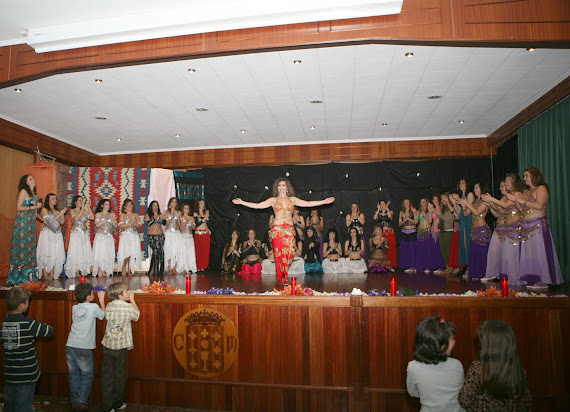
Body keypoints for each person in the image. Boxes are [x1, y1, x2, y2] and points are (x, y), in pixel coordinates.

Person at [232, 178, 334, 285]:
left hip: (289, 230)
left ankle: (283, 275)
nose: (281, 187)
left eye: (283, 185)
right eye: (279, 185)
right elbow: (257, 206)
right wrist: (241, 202)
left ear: (287, 187)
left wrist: (324, 201)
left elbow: (307, 203)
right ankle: (283, 279)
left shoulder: (292, 199)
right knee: (279, 255)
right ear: (277, 187)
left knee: (290, 255)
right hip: (277, 229)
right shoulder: (273, 200)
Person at [507, 167, 563, 285]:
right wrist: (516, 200)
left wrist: (522, 200)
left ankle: (543, 281)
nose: (524, 178)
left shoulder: (541, 188)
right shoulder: (527, 192)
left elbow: (539, 205)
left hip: (537, 226)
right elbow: (521, 210)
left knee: (539, 254)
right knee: (529, 255)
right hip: (526, 227)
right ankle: (532, 280)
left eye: (526, 176)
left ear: (534, 176)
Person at [1, 287, 54, 412]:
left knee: (9, 404)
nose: (28, 304)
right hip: (27, 375)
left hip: (10, 374)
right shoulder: (28, 324)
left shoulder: (4, 324)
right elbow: (49, 331)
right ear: (21, 306)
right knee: (23, 405)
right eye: (27, 302)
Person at [459, 320, 531, 411]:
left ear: (489, 345)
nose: (479, 344)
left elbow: (465, 400)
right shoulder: (520, 372)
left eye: (481, 340)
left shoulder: (478, 368)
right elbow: (526, 405)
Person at [406, 316, 464, 412]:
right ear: (441, 346)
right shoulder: (456, 365)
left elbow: (413, 392)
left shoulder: (413, 367)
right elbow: (461, 392)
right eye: (452, 339)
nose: (454, 341)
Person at [100, 282, 140, 412]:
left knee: (107, 376)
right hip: (121, 346)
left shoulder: (110, 305)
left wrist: (101, 301)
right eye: (126, 292)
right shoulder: (127, 307)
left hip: (107, 345)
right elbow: (137, 316)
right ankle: (117, 403)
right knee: (119, 375)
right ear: (120, 296)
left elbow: (105, 314)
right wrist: (133, 300)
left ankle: (106, 406)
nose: (128, 293)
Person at [66, 283, 105, 412]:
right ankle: (82, 401)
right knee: (87, 375)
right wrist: (101, 299)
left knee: (74, 375)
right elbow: (102, 315)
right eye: (93, 293)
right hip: (84, 346)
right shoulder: (93, 307)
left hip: (71, 344)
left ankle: (74, 401)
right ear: (89, 296)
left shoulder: (74, 308)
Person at [482, 174, 524, 283]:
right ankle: (503, 277)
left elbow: (505, 206)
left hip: (515, 227)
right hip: (506, 228)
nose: (505, 184)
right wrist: (490, 202)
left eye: (507, 182)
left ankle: (515, 278)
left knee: (513, 255)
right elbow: (498, 209)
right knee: (505, 255)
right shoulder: (505, 197)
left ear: (514, 182)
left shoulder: (517, 194)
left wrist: (491, 199)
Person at [8, 175, 42, 286]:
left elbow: (35, 214)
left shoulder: (35, 195)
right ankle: (18, 278)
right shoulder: (23, 191)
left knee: (30, 249)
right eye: (30, 179)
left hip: (31, 226)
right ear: (25, 182)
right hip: (22, 224)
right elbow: (19, 207)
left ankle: (30, 278)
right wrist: (33, 207)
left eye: (33, 178)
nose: (33, 180)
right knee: (21, 249)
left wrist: (46, 220)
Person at [460, 183, 491, 279]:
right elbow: (466, 214)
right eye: (474, 188)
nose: (474, 189)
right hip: (474, 230)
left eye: (477, 187)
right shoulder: (475, 202)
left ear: (482, 189)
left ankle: (485, 274)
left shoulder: (485, 201)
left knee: (482, 252)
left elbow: (477, 212)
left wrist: (467, 204)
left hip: (482, 230)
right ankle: (476, 273)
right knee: (475, 253)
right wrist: (464, 206)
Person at [37, 193, 67, 279]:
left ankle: (52, 273)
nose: (55, 200)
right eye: (53, 198)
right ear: (48, 200)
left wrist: (61, 214)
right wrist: (60, 213)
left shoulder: (57, 211)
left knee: (55, 253)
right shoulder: (44, 209)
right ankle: (45, 274)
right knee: (46, 253)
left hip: (56, 234)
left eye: (55, 199)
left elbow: (62, 223)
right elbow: (49, 221)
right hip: (47, 234)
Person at [66, 196, 94, 278]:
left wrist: (88, 208)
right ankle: (75, 271)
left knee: (83, 252)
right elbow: (75, 219)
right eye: (79, 200)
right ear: (75, 202)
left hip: (84, 234)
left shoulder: (84, 211)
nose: (81, 202)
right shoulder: (72, 210)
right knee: (76, 252)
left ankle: (82, 270)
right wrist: (81, 210)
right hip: (76, 234)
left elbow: (92, 217)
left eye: (82, 200)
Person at [116, 199, 142, 277]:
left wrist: (135, 223)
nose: (129, 206)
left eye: (131, 205)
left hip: (134, 235)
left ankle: (130, 269)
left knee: (132, 253)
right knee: (127, 253)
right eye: (128, 205)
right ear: (125, 206)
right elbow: (121, 226)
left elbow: (139, 225)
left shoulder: (136, 215)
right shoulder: (123, 215)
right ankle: (124, 267)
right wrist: (131, 223)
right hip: (125, 236)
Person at [93, 199, 117, 277]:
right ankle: (100, 270)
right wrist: (105, 220)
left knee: (107, 254)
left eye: (109, 205)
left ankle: (104, 270)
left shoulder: (111, 214)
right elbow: (97, 225)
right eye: (106, 204)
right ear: (102, 205)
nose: (108, 206)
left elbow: (115, 226)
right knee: (101, 254)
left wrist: (113, 220)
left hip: (109, 237)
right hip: (101, 237)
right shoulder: (98, 214)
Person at [373, 200, 397, 267]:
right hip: (381, 233)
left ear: (386, 204)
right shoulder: (377, 212)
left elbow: (389, 217)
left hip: (389, 232)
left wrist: (387, 209)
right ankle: (383, 265)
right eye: (381, 204)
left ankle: (391, 265)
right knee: (382, 248)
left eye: (384, 204)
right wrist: (378, 210)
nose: (382, 205)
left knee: (391, 249)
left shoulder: (390, 211)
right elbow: (374, 218)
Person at [145, 200, 165, 277]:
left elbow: (164, 223)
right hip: (152, 236)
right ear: (151, 206)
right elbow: (149, 223)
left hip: (160, 236)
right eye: (154, 205)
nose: (155, 207)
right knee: (155, 251)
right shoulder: (148, 215)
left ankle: (158, 271)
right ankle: (155, 271)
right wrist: (156, 218)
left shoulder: (161, 215)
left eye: (157, 205)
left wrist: (162, 217)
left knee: (161, 253)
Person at [399, 198, 418, 272]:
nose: (406, 204)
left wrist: (408, 218)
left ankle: (413, 266)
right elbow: (399, 224)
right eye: (405, 202)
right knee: (405, 250)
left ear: (410, 203)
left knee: (413, 249)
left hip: (412, 232)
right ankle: (407, 266)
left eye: (407, 202)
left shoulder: (413, 211)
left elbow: (416, 222)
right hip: (404, 232)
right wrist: (404, 220)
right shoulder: (401, 212)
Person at [164, 197, 182, 274]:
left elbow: (180, 225)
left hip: (176, 233)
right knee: (168, 250)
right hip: (168, 232)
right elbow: (166, 223)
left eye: (175, 202)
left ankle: (174, 268)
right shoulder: (166, 212)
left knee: (175, 250)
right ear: (170, 203)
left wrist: (178, 217)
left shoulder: (179, 212)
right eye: (172, 202)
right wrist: (173, 217)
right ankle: (169, 267)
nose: (174, 203)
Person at [179, 203, 197, 275]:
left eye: (188, 208)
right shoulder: (180, 218)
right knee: (183, 252)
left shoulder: (191, 218)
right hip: (183, 237)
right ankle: (183, 268)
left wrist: (191, 222)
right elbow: (180, 227)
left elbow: (194, 228)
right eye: (185, 208)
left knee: (190, 252)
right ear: (183, 209)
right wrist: (186, 222)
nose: (186, 210)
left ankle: (190, 267)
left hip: (190, 237)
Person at [415, 198, 432, 273]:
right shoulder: (418, 211)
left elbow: (430, 221)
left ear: (426, 203)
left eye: (424, 202)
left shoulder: (429, 211)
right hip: (420, 231)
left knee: (427, 249)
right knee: (420, 249)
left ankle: (428, 266)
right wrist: (415, 213)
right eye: (421, 202)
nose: (422, 203)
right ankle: (420, 265)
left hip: (427, 231)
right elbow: (416, 221)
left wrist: (424, 213)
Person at [193, 198, 211, 272]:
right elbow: (197, 224)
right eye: (201, 203)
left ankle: (204, 266)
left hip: (205, 233)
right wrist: (204, 219)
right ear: (198, 204)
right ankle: (198, 266)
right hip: (198, 233)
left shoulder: (206, 212)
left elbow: (209, 223)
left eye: (203, 203)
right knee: (198, 250)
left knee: (205, 250)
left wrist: (207, 216)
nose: (203, 205)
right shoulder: (195, 213)